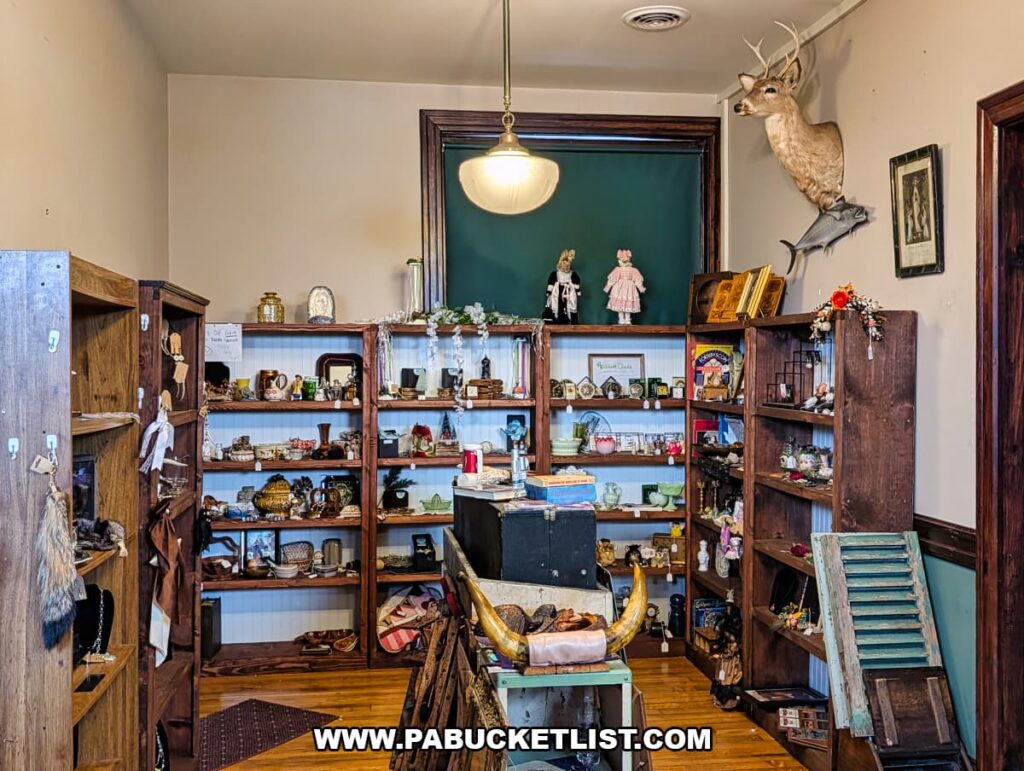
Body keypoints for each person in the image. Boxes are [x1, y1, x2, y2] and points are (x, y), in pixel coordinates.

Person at [603, 249, 646, 325]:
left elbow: (637, 280)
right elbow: (612, 279)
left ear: (629, 259)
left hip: (630, 288)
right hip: (619, 288)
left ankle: (628, 320)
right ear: (619, 260)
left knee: (627, 302)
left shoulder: (633, 270)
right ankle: (621, 319)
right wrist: (607, 287)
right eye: (622, 258)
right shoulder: (618, 270)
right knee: (620, 303)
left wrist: (641, 288)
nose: (624, 260)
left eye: (626, 258)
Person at [542, 249, 581, 324]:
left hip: (568, 292)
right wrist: (549, 291)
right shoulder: (555, 274)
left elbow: (576, 283)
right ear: (559, 266)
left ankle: (571, 321)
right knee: (558, 305)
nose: (565, 270)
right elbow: (551, 283)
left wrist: (578, 290)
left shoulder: (572, 274)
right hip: (558, 291)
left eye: (567, 268)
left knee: (570, 305)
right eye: (563, 268)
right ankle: (558, 320)